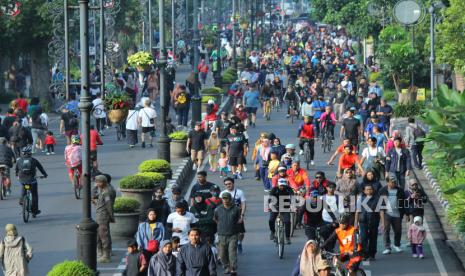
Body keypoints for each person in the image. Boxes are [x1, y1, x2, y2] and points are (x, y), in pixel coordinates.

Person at [354, 183, 384, 260]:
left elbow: (381, 211)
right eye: (367, 189)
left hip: (374, 221)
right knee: (363, 237)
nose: (369, 190)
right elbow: (357, 211)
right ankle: (365, 254)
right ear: (364, 191)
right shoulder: (360, 199)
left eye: (370, 189)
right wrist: (355, 223)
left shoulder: (377, 199)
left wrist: (383, 223)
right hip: (363, 221)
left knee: (373, 238)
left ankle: (372, 254)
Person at [16, 145, 47, 216]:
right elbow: (41, 168)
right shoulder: (34, 160)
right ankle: (34, 211)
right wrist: (45, 175)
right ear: (30, 153)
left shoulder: (19, 160)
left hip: (22, 179)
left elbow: (16, 170)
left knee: (24, 187)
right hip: (32, 180)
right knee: (34, 195)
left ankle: (21, 200)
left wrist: (17, 176)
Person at [214, 192, 241, 275]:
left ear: (230, 199)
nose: (225, 200)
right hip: (221, 235)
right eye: (224, 198)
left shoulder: (235, 209)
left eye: (227, 198)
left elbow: (239, 221)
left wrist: (240, 232)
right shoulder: (218, 209)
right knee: (222, 254)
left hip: (233, 234)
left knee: (232, 252)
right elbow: (215, 219)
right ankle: (226, 267)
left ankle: (233, 268)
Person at [379, 173, 406, 255]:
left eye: (395, 182)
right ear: (387, 182)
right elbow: (381, 207)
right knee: (386, 230)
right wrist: (382, 221)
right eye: (392, 182)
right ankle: (387, 247)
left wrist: (405, 214)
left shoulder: (400, 190)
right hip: (387, 213)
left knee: (398, 230)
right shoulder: (382, 191)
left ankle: (397, 245)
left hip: (397, 213)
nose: (394, 183)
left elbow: (403, 203)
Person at [93, 174, 116, 263]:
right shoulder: (103, 190)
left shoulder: (107, 192)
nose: (96, 184)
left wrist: (111, 216)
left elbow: (109, 205)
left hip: (103, 216)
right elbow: (94, 194)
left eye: (98, 182)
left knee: (104, 236)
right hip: (101, 214)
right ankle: (103, 253)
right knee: (100, 235)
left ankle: (106, 255)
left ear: (103, 182)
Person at [220, 177, 247, 254]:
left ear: (233, 184)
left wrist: (242, 215)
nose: (228, 186)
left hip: (238, 214)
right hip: (226, 215)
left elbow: (243, 204)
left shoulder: (239, 192)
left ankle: (239, 242)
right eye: (226, 184)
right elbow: (220, 205)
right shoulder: (222, 193)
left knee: (241, 233)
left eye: (229, 184)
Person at [268, 178, 294, 244]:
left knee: (287, 221)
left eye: (283, 185)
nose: (282, 187)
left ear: (286, 185)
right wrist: (268, 206)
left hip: (285, 206)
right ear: (278, 185)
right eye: (280, 185)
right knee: (271, 220)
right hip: (275, 206)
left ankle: (287, 237)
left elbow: (293, 197)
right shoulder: (274, 189)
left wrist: (293, 205)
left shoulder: (288, 188)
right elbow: (270, 198)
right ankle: (272, 232)